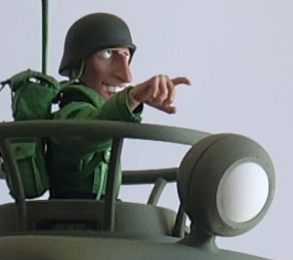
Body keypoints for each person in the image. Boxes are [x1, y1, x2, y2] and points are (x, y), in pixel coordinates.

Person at [47, 11, 190, 200]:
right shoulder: (70, 113)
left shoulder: (101, 110)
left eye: (126, 56)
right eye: (107, 54)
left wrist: (134, 100)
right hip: (73, 216)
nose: (126, 76)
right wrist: (131, 98)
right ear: (78, 65)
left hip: (102, 211)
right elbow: (91, 129)